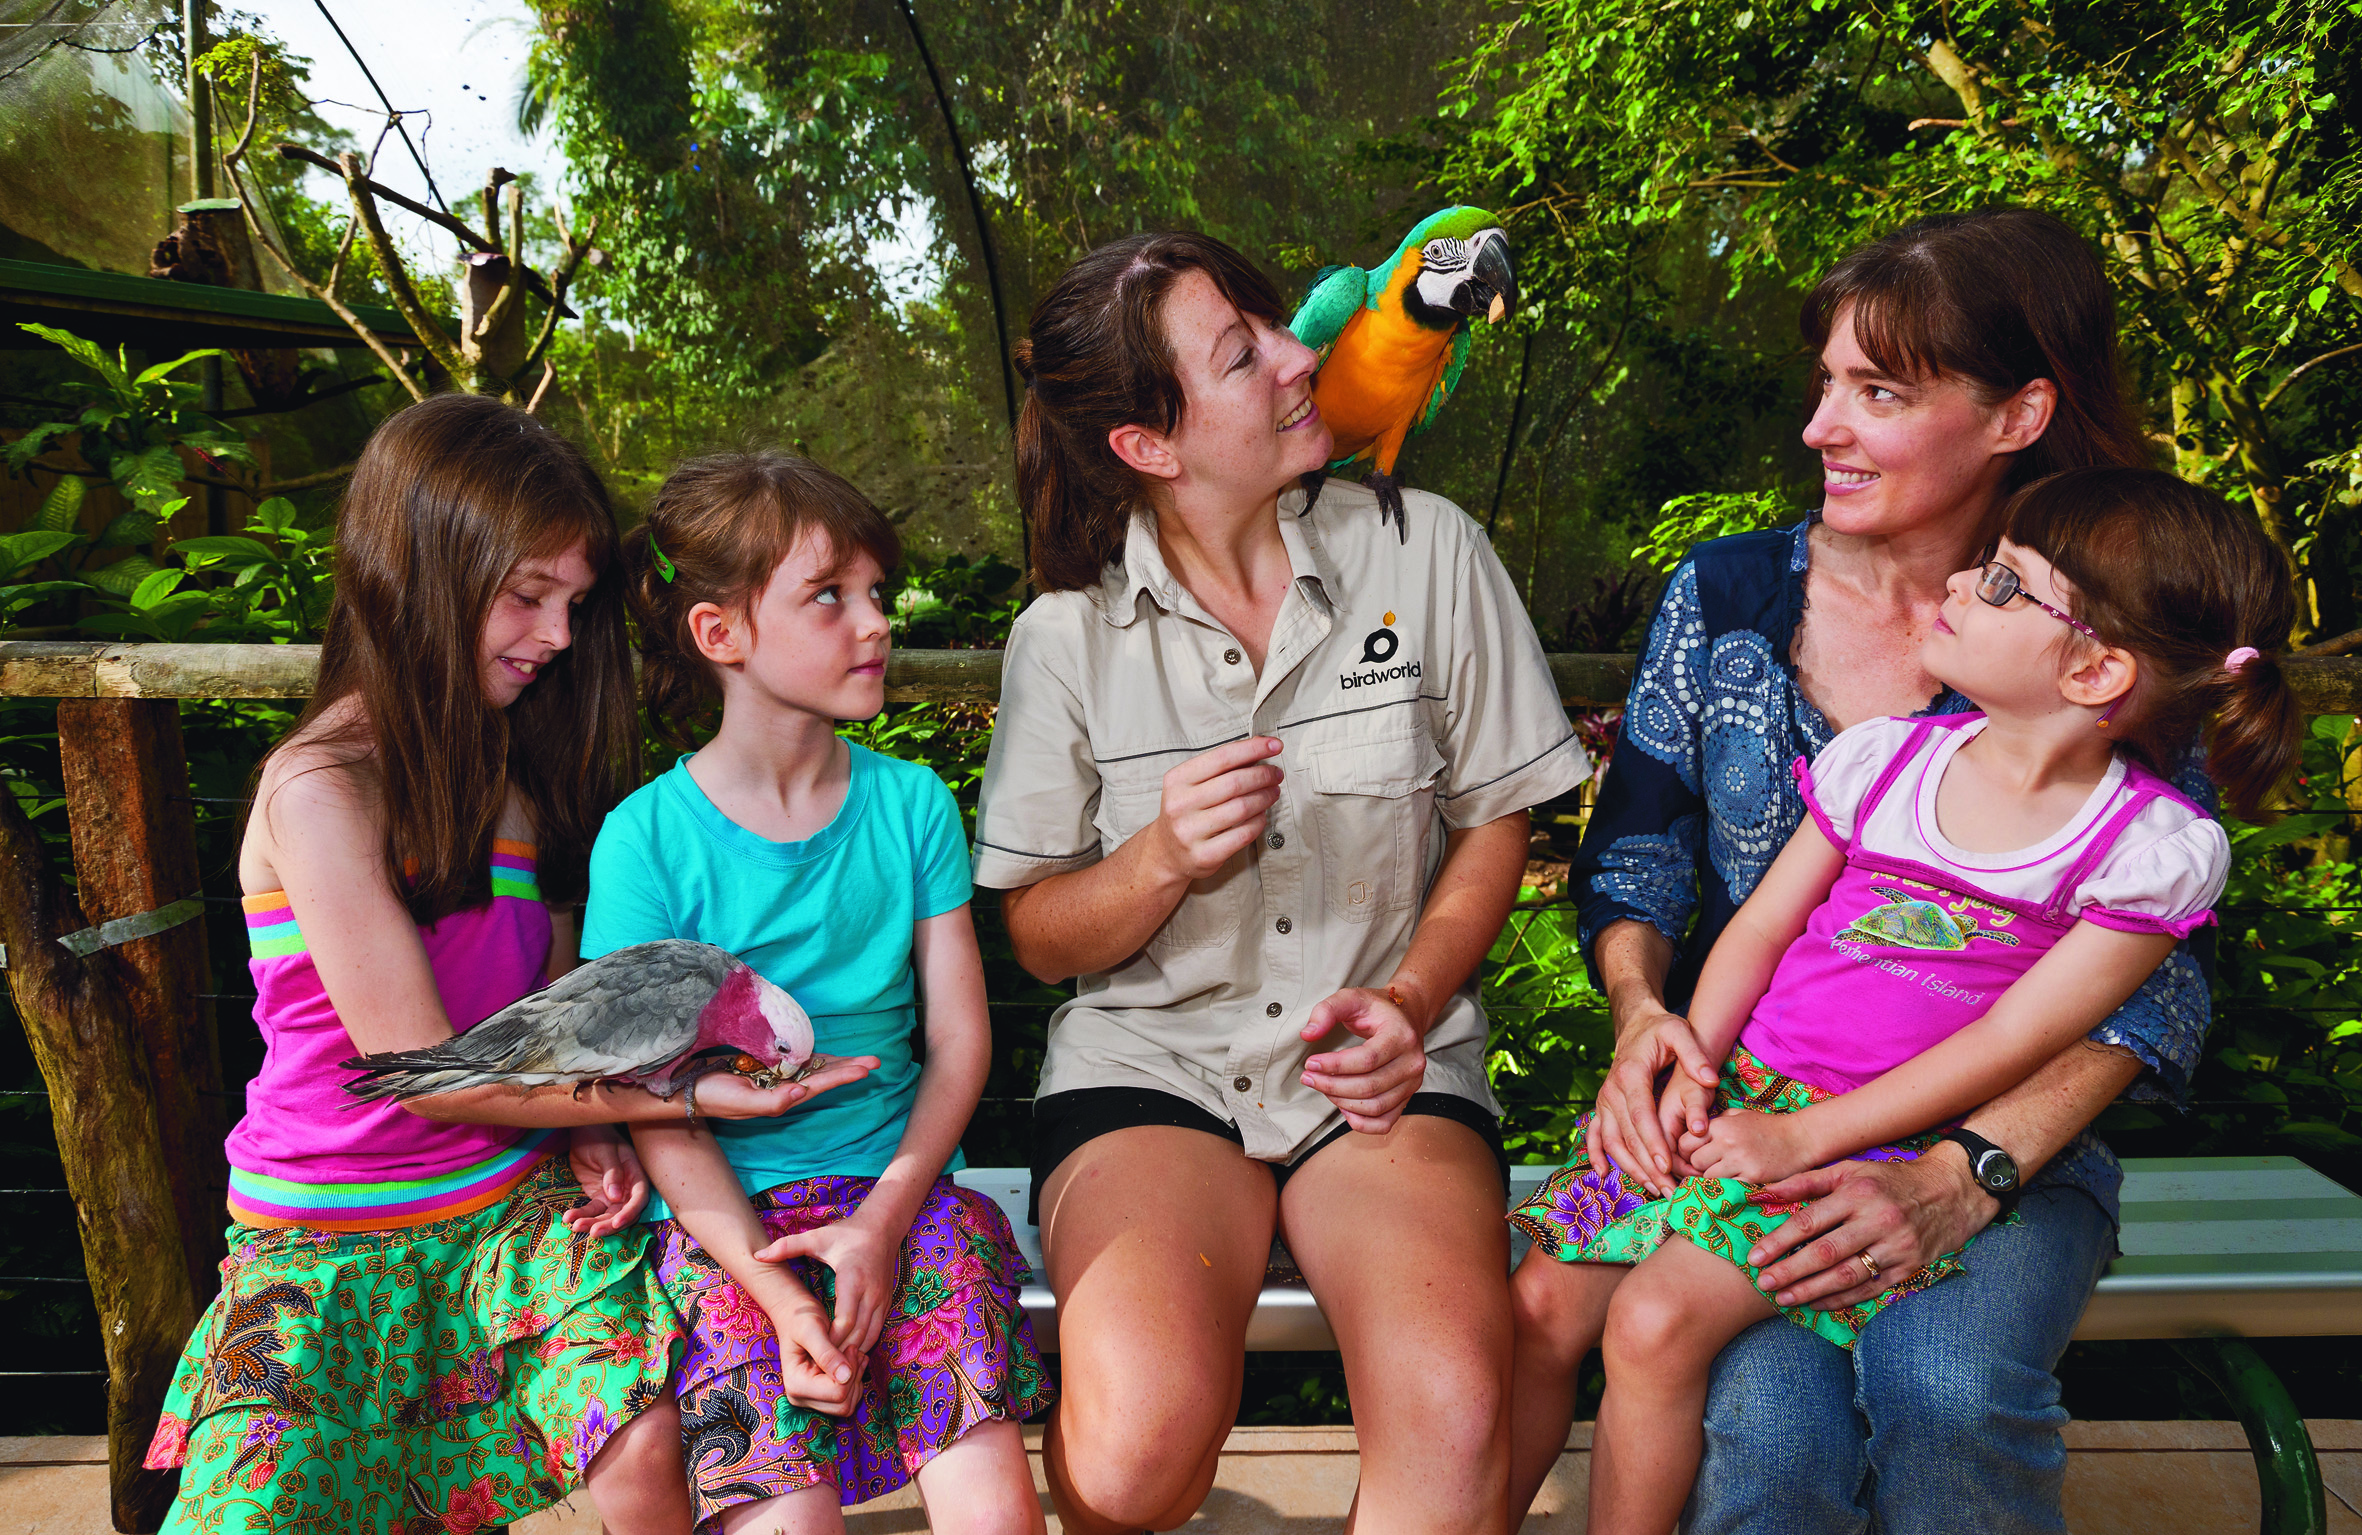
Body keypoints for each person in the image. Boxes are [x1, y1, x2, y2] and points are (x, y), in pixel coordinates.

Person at [1519, 208, 2221, 1534]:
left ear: (2016, 412)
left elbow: (2153, 988)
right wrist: (1648, 1028)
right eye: (1824, 383)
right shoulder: (1730, 593)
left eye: (1877, 391)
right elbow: (1635, 858)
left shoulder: (2102, 623)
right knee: (1757, 1420)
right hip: (1748, 1098)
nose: (1817, 428)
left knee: (1942, 1381)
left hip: (1994, 1136)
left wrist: (1968, 1170)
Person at [143, 394, 863, 1535]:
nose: (560, 634)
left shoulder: (513, 788)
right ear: (417, 568)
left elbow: (539, 1020)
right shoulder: (315, 790)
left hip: (504, 1213)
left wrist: (586, 1125)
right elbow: (418, 1066)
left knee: (640, 1432)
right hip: (321, 1241)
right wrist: (669, 1092)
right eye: (529, 594)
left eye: (573, 602)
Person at [972, 230, 1589, 1534]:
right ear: (1148, 443)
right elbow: (1034, 933)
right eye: (1245, 352)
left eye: (1278, 325)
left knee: (1451, 1408)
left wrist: (1413, 996)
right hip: (1151, 1060)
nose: (1306, 355)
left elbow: (1493, 825)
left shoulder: (1431, 552)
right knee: (1133, 1447)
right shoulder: (1063, 635)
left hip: (1381, 1067)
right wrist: (1155, 858)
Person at [581, 452, 1051, 1535]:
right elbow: (649, 1099)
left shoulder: (912, 804)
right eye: (828, 596)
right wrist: (780, 1288)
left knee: (996, 1512)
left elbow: (960, 1043)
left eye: (878, 593)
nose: (875, 622)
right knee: (785, 1521)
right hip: (718, 1227)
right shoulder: (645, 842)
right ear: (720, 634)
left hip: (904, 1195)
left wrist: (883, 1223)